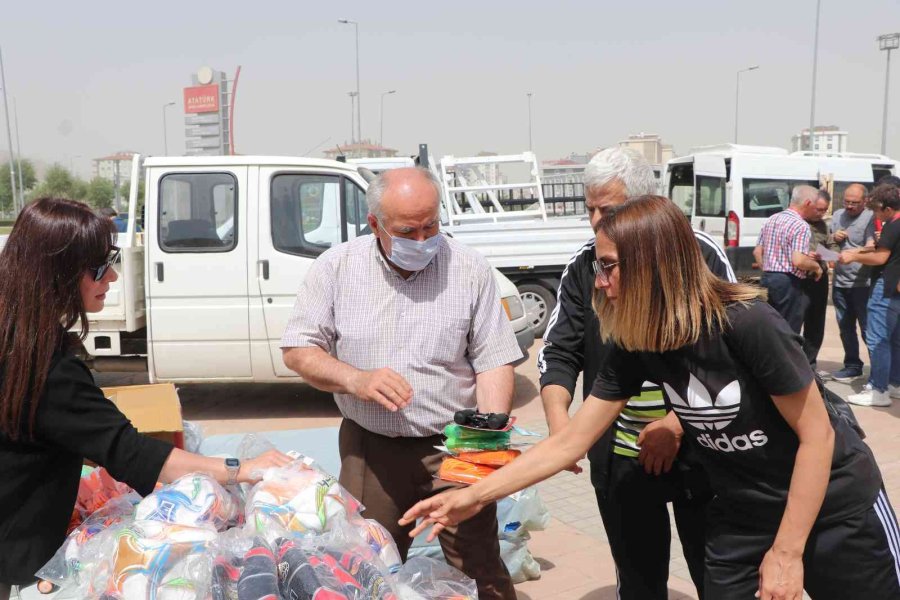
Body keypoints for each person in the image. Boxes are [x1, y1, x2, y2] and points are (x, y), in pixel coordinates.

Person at [403, 195, 900, 600]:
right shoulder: (637, 341)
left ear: (654, 263)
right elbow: (570, 442)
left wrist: (788, 554)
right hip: (745, 513)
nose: (600, 282)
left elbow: (818, 437)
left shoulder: (747, 324)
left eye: (609, 267)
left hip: (836, 507)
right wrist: (472, 496)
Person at [0, 198, 291, 597]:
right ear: (58, 274)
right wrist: (241, 468)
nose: (113, 276)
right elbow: (131, 452)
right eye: (99, 267)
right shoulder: (45, 370)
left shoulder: (15, 340)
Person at [281, 167, 522, 600]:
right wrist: (355, 379)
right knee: (368, 566)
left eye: (431, 225)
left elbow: (493, 360)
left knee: (480, 568)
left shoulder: (469, 268)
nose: (422, 240)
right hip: (372, 450)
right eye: (408, 231)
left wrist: (486, 438)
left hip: (455, 447)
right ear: (375, 223)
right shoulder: (336, 268)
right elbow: (299, 349)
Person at [538, 147, 735, 600]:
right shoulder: (585, 265)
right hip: (621, 458)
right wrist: (562, 430)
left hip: (700, 451)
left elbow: (728, 361)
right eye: (589, 208)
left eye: (607, 210)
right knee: (639, 582)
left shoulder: (698, 255)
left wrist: (676, 425)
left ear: (645, 204)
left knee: (719, 578)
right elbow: (559, 351)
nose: (595, 221)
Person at [839, 183, 900, 407]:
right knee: (894, 339)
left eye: (876, 209)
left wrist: (854, 257)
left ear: (887, 208)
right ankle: (893, 383)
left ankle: (878, 390)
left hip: (885, 287)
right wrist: (857, 251)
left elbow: (881, 258)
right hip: (895, 287)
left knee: (877, 339)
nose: (875, 214)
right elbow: (884, 251)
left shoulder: (892, 226)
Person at [753, 185, 824, 333]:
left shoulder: (771, 219)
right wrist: (816, 267)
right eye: (815, 206)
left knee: (769, 327)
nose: (816, 211)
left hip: (767, 278)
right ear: (808, 203)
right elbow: (799, 261)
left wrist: (769, 268)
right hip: (788, 283)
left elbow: (757, 252)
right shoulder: (801, 225)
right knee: (788, 330)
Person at [828, 183, 875, 382]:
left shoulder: (871, 217)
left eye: (854, 203)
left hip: (863, 284)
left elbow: (872, 247)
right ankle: (852, 365)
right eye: (846, 201)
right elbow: (826, 245)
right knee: (845, 328)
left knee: (868, 329)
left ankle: (878, 372)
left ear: (865, 201)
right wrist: (833, 237)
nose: (849, 206)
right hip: (840, 283)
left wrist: (853, 253)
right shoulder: (838, 215)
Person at [800, 190, 839, 369]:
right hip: (798, 278)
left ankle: (810, 364)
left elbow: (833, 249)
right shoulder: (795, 222)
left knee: (815, 324)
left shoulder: (823, 225)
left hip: (818, 279)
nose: (820, 213)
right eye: (818, 209)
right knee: (792, 323)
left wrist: (828, 255)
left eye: (824, 210)